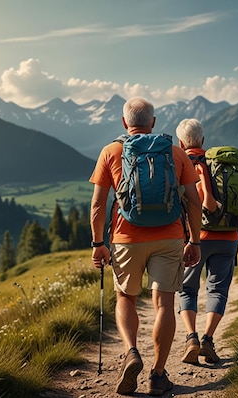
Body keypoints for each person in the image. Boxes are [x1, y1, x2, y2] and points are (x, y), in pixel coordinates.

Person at [90, 97, 202, 396]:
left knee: (126, 297)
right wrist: (194, 240)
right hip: (169, 237)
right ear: (153, 122)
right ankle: (158, 374)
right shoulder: (175, 152)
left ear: (125, 123)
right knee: (164, 303)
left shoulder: (111, 151)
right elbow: (194, 200)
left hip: (126, 238)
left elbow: (99, 202)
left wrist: (98, 242)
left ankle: (131, 352)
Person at [175, 118, 238, 365]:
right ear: (203, 141)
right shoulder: (222, 165)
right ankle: (208, 339)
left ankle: (191, 338)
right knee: (218, 289)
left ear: (181, 142)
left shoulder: (188, 163)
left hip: (197, 239)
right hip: (228, 237)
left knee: (188, 288)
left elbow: (205, 200)